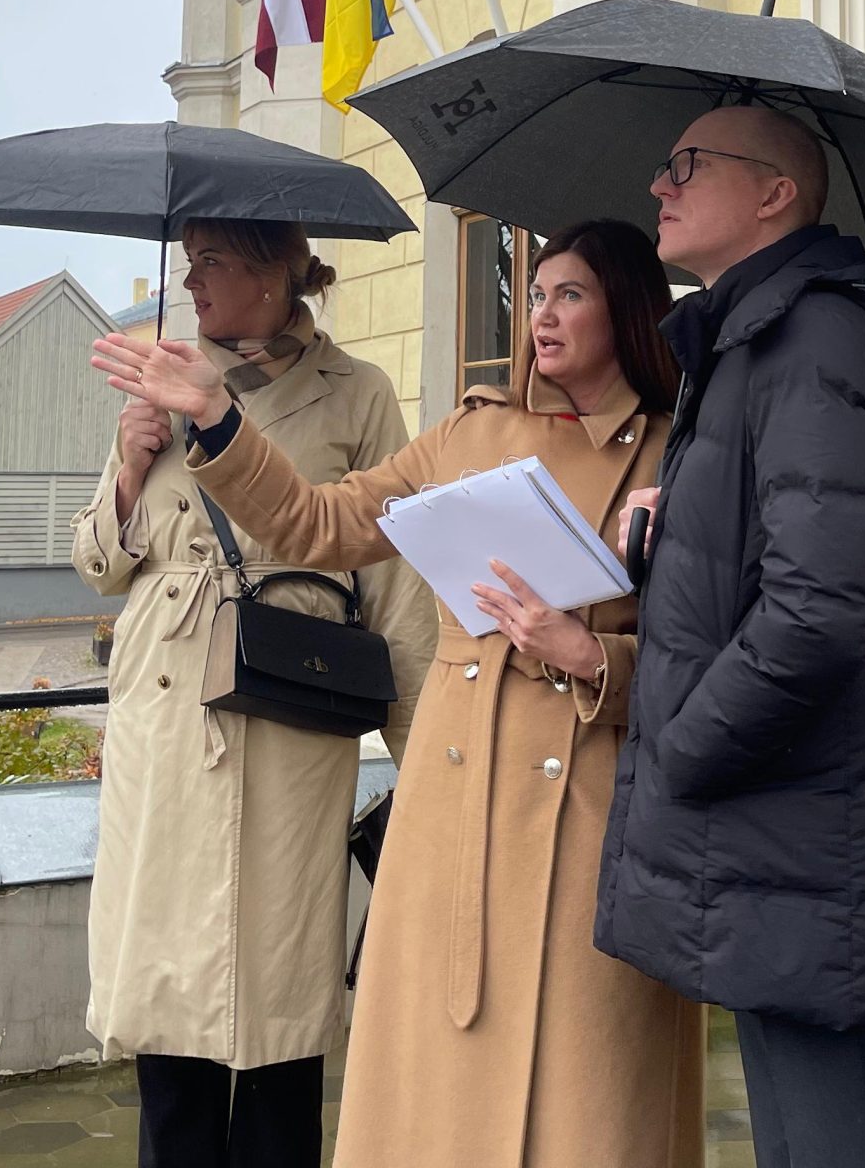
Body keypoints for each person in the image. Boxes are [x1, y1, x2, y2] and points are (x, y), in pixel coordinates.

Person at [90, 220, 702, 1168]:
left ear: (626, 310)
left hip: (585, 800)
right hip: (455, 798)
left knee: (582, 1086)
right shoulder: (470, 431)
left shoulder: (678, 458)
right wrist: (215, 416)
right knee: (433, 1081)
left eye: (571, 295)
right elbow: (318, 523)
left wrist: (592, 656)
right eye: (537, 293)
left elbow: (708, 658)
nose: (541, 315)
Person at [594, 103, 865, 1168]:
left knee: (838, 1140)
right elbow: (781, 567)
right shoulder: (754, 338)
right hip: (784, 828)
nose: (659, 185)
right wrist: (674, 533)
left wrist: (686, 750)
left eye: (687, 163)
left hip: (805, 828)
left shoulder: (808, 337)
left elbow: (820, 612)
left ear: (774, 193)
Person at [71, 218, 436, 1168]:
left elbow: (394, 580)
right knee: (167, 990)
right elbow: (98, 565)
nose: (192, 284)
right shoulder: (160, 379)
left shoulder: (356, 391)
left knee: (279, 988)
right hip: (164, 714)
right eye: (188, 264)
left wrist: (430, 760)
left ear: (274, 274)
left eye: (213, 264)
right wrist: (129, 466)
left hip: (288, 714)